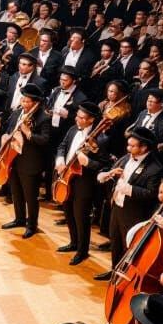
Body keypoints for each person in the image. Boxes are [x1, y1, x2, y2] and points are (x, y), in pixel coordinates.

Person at [96, 126, 162, 281]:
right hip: (117, 206)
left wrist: (127, 188)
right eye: (128, 145)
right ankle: (114, 271)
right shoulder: (126, 157)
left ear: (144, 148)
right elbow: (112, 171)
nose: (128, 148)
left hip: (133, 213)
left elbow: (151, 193)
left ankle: (124, 277)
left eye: (132, 146)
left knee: (129, 246)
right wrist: (110, 174)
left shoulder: (155, 168)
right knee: (115, 241)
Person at [55, 101, 107, 264]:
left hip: (84, 182)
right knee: (68, 211)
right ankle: (73, 242)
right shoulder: (73, 129)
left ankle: (82, 251)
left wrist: (88, 163)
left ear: (91, 120)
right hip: (67, 175)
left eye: (81, 117)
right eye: (77, 116)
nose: (77, 119)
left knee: (81, 216)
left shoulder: (101, 139)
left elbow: (103, 165)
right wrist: (60, 160)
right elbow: (62, 146)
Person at [0, 82, 51, 238]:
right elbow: (8, 128)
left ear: (36, 103)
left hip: (31, 162)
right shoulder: (17, 113)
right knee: (16, 192)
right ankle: (19, 219)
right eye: (23, 100)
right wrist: (5, 135)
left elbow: (45, 140)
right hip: (14, 158)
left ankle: (32, 225)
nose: (24, 104)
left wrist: (28, 133)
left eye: (28, 101)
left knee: (30, 196)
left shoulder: (43, 117)